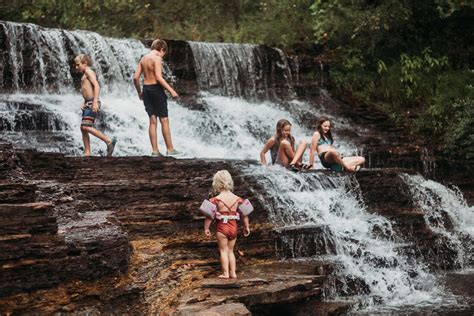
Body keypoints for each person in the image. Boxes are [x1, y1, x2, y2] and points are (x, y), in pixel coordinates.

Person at [133, 39, 182, 157]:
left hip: (146, 89)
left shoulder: (143, 59)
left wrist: (139, 92)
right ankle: (170, 149)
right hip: (156, 89)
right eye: (163, 54)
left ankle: (155, 151)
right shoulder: (157, 58)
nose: (163, 56)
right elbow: (159, 78)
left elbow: (135, 78)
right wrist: (172, 91)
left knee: (152, 121)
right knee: (164, 120)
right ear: (161, 49)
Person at [202, 170, 251, 279]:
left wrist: (206, 228)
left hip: (222, 228)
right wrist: (247, 227)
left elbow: (209, 216)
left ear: (217, 183)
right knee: (230, 251)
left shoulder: (215, 199)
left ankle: (225, 273)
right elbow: (245, 214)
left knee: (223, 251)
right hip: (234, 227)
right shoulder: (238, 199)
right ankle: (233, 273)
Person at [74, 54, 116, 157]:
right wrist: (84, 102)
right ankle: (87, 152)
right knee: (83, 128)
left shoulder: (89, 72)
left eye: (78, 65)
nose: (76, 67)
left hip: (92, 102)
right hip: (88, 102)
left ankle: (108, 141)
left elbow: (97, 86)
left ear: (85, 63)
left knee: (86, 126)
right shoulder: (84, 74)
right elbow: (87, 90)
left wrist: (95, 101)